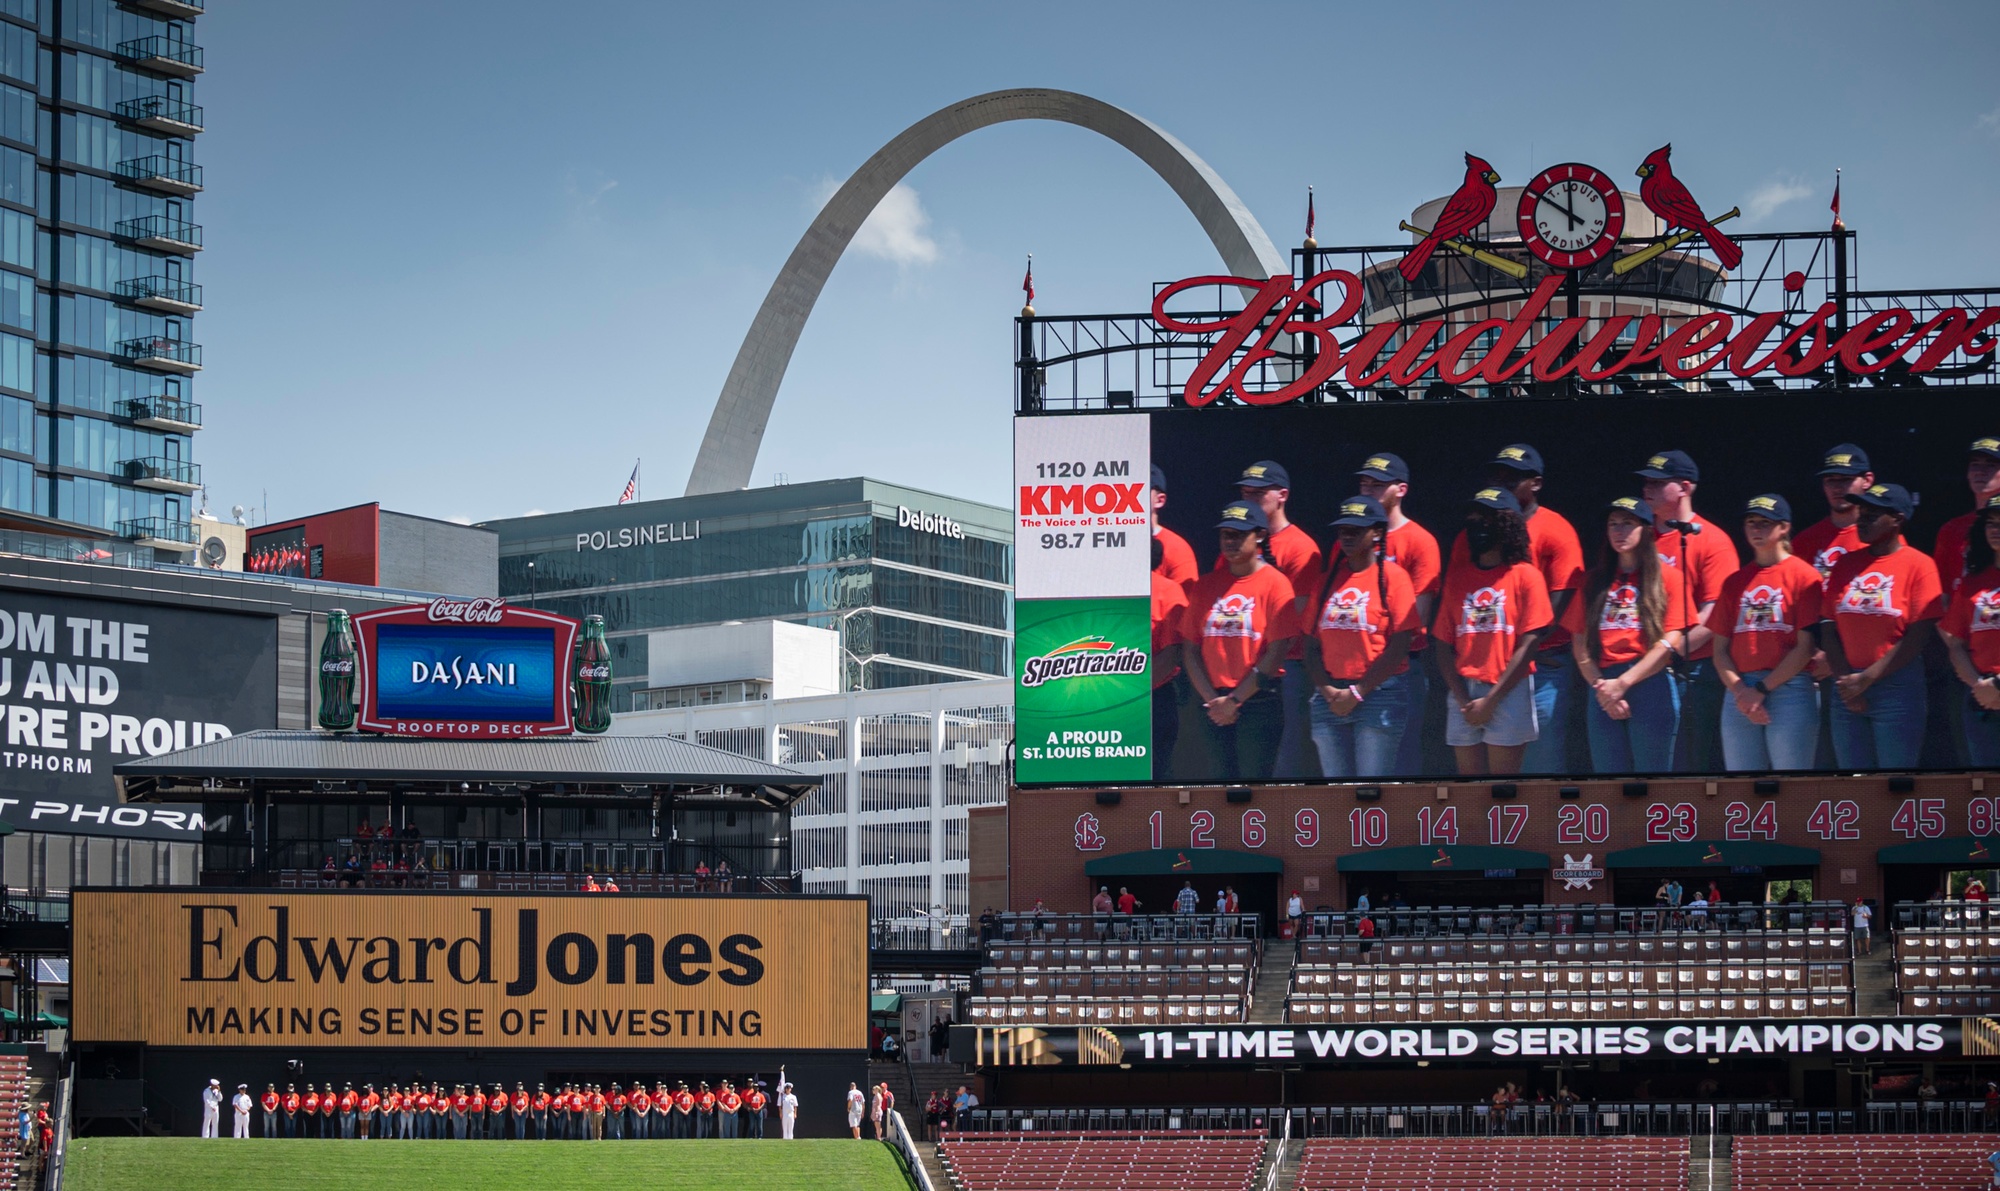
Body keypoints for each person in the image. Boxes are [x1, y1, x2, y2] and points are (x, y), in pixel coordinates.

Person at [1455, 445, 1585, 776]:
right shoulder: (1470, 535)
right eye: (1497, 475)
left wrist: (1517, 654)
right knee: (1477, 774)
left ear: (1536, 483)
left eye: (1512, 478)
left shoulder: (1558, 529)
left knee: (1539, 764)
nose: (1502, 482)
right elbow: (1457, 603)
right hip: (1479, 668)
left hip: (1542, 664)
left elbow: (1556, 607)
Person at [1179, 499, 1303, 781]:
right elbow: (1190, 648)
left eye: (1239, 534)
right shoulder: (1206, 585)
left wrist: (1234, 701)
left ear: (1259, 535)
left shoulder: (1276, 583)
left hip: (1257, 701)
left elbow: (1276, 650)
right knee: (1220, 784)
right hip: (1212, 703)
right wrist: (1214, 701)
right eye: (1226, 534)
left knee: (1254, 787)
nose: (1230, 541)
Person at [1822, 483, 1944, 768]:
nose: (1861, 519)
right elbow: (1828, 627)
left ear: (1898, 519)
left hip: (1896, 687)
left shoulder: (1919, 564)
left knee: (1895, 783)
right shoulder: (1844, 564)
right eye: (1861, 511)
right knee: (1855, 787)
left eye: (1872, 514)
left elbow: (1919, 636)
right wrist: (1846, 682)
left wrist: (1868, 678)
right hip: (1846, 685)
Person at [1437, 487, 1554, 775]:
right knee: (1469, 791)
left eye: (1487, 520)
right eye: (1473, 521)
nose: (1478, 528)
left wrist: (1491, 700)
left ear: (1506, 525)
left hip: (1507, 690)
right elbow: (1441, 643)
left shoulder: (1526, 576)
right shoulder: (1458, 578)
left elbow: (1530, 643)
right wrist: (1464, 699)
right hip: (1463, 690)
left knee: (1503, 790)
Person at [1569, 497, 1688, 774]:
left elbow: (1672, 638)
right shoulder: (1593, 581)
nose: (1619, 532)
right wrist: (1604, 689)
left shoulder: (1668, 577)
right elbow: (1579, 642)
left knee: (1653, 779)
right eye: (1613, 525)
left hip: (1649, 682)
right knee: (1610, 782)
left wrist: (1623, 684)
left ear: (1646, 529)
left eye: (1627, 524)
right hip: (1602, 686)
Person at [1304, 494, 1419, 778]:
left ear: (1377, 532)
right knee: (1339, 792)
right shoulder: (1328, 579)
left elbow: (1401, 643)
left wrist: (1358, 691)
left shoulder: (1394, 577)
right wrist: (1326, 689)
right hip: (1329, 696)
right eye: (1343, 530)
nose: (1348, 536)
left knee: (1371, 790)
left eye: (1356, 530)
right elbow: (1309, 643)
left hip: (1378, 695)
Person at [1638, 449, 1739, 774]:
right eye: (1646, 482)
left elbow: (1715, 615)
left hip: (1691, 671)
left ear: (1684, 487)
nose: (1647, 488)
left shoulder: (1713, 541)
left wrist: (1669, 651)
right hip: (1635, 668)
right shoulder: (1637, 537)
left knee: (1684, 766)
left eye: (1657, 482)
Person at [1711, 494, 1824, 772]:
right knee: (1743, 786)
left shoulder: (1805, 576)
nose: (1756, 530)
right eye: (1751, 523)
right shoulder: (1735, 582)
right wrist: (1742, 692)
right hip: (1739, 690)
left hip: (1789, 687)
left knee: (1791, 785)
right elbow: (1720, 650)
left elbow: (1805, 647)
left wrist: (1761, 690)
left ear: (1784, 528)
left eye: (1765, 523)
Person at [1232, 460, 1324, 779]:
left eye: (1259, 494)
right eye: (1246, 494)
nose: (1250, 501)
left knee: (1285, 759)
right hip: (1237, 667)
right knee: (1238, 761)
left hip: (1288, 666)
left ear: (1282, 495)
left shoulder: (1300, 547)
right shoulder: (1236, 540)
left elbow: (1295, 617)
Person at [1356, 452, 1443, 777]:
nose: (1369, 491)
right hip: (1349, 669)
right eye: (1365, 484)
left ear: (1400, 489)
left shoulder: (1420, 542)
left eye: (1378, 485)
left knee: (1400, 765)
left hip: (1401, 669)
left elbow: (1417, 618)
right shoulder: (1351, 538)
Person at [1943, 495, 2000, 765]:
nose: (1995, 530)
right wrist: (1980, 687)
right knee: (1986, 787)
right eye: (1991, 523)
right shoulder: (1972, 582)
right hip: (1980, 697)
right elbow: (1956, 643)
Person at [1933, 437, 2000, 603]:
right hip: (1961, 623)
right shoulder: (1951, 529)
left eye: (1990, 465)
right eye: (1974, 464)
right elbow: (1943, 591)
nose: (1980, 471)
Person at [1795, 444, 1872, 581]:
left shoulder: (1882, 537)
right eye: (1831, 480)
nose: (1837, 488)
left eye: (1846, 479)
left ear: (1867, 480)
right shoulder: (1804, 541)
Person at [1150, 535, 1191, 781]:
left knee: (1158, 773)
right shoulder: (1105, 589)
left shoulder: (1168, 591)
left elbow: (1173, 652)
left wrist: (1136, 690)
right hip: (1108, 698)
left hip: (1156, 697)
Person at [1150, 464, 1198, 592]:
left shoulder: (1176, 548)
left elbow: (1184, 604)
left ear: (1159, 500)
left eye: (1140, 490)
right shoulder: (1111, 542)